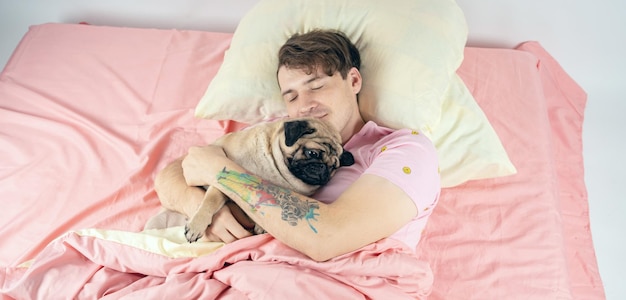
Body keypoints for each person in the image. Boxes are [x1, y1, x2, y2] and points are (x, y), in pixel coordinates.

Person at [169, 29, 440, 262]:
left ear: (354, 80)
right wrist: (203, 209)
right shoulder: (280, 132)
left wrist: (222, 173)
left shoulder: (404, 150)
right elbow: (173, 174)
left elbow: (327, 239)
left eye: (316, 86)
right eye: (291, 95)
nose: (304, 105)